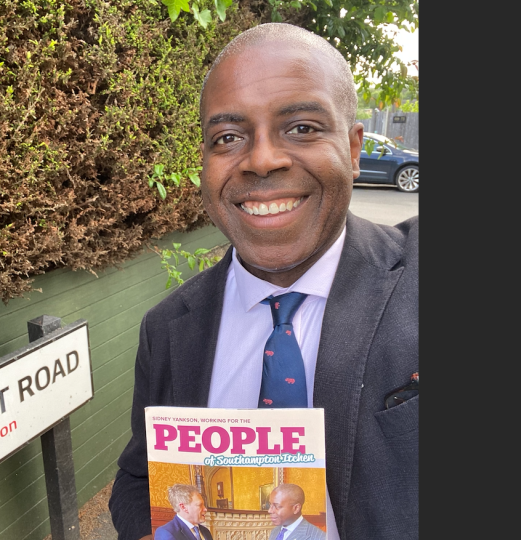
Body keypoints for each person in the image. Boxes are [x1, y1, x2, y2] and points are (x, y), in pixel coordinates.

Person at [108, 22, 418, 540]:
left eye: (301, 127)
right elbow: (138, 479)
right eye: (228, 138)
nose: (262, 159)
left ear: (354, 145)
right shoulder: (166, 330)